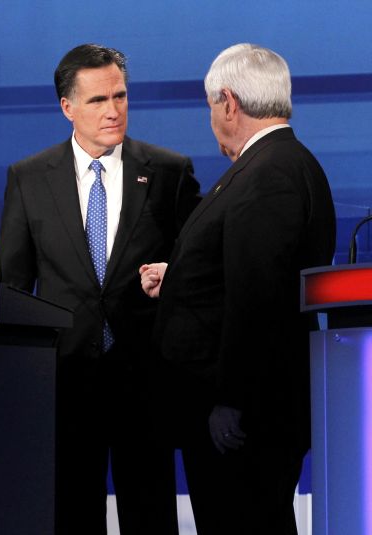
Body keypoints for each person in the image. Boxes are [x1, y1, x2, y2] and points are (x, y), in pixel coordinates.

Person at [0, 44, 200, 535]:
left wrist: (171, 271)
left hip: (145, 379)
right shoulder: (28, 178)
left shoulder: (169, 171)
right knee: (69, 515)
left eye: (121, 96)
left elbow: (196, 272)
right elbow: (13, 287)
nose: (113, 110)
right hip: (64, 383)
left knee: (150, 515)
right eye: (97, 100)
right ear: (67, 107)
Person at [140, 43, 336, 535]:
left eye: (210, 106)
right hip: (248, 409)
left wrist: (231, 400)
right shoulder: (282, 163)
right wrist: (181, 274)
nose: (211, 117)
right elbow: (244, 268)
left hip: (239, 419)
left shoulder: (267, 174)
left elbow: (259, 298)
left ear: (228, 102)